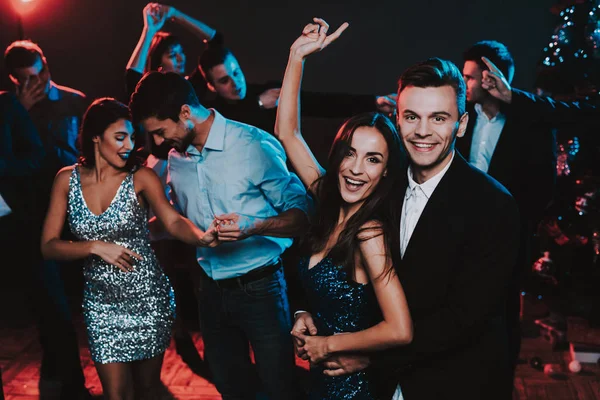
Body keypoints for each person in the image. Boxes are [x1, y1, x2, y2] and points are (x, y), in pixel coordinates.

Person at [294, 57, 521, 399]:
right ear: (397, 118)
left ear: (461, 124)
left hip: (451, 383)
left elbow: (464, 320)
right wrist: (304, 309)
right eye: (412, 116)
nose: (423, 131)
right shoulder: (380, 184)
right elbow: (326, 244)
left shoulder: (493, 205)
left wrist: (369, 355)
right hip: (378, 387)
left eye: (438, 118)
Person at [129, 71, 310, 400]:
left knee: (280, 388)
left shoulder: (252, 145)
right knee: (231, 388)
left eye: (160, 131)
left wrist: (253, 226)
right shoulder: (174, 159)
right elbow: (177, 221)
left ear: (185, 113)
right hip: (209, 292)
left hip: (262, 289)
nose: (156, 142)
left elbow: (303, 216)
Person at [39, 98, 220, 400]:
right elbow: (48, 246)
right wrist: (95, 247)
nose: (128, 145)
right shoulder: (65, 180)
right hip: (101, 306)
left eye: (132, 137)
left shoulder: (141, 177)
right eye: (119, 137)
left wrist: (201, 237)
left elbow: (173, 221)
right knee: (117, 395)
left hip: (149, 300)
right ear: (95, 136)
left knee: (147, 389)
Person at [275, 19, 413, 399]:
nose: (355, 168)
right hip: (321, 381)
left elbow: (400, 329)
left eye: (372, 159)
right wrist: (297, 57)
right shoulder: (327, 199)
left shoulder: (369, 232)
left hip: (352, 388)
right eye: (350, 153)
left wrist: (329, 345)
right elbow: (288, 133)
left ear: (386, 172)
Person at [458, 41, 557, 382]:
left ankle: (500, 381)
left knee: (502, 310)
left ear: (491, 79)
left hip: (507, 234)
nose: (464, 83)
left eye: (470, 77)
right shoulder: (462, 117)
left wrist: (515, 223)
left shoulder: (529, 123)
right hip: (462, 229)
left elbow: (544, 183)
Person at [4, 39, 91, 399]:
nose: (32, 85)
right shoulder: (8, 110)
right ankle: (63, 375)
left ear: (46, 66)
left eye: (36, 76)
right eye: (23, 80)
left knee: (80, 294)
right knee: (49, 300)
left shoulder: (75, 101)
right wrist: (19, 111)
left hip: (78, 208)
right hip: (34, 217)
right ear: (13, 80)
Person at [125, 3, 216, 99]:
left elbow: (215, 42)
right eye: (172, 55)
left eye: (181, 52)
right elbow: (132, 78)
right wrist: (149, 30)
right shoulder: (151, 96)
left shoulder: (192, 88)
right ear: (159, 65)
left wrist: (174, 14)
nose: (181, 58)